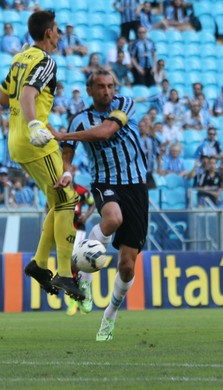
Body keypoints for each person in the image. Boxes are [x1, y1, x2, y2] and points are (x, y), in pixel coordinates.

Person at [51, 69, 149, 341]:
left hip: (137, 187)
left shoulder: (125, 103)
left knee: (127, 265)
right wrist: (67, 171)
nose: (107, 91)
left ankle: (109, 316)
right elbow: (68, 151)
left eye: (110, 86)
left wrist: (61, 135)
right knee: (112, 218)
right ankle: (84, 278)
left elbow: (106, 132)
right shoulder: (79, 119)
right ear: (89, 90)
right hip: (105, 181)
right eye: (101, 86)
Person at [0, 10, 84, 301]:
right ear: (48, 33)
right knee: (68, 200)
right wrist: (34, 123)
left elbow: (2, 97)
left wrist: (38, 122)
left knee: (56, 202)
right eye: (57, 30)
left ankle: (38, 264)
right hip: (36, 143)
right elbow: (25, 95)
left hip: (17, 141)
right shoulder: (46, 61)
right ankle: (63, 272)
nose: (59, 35)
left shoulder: (20, 58)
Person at [65, 172, 96, 316]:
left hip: (78, 229)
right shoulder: (59, 189)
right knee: (68, 265)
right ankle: (74, 299)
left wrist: (87, 216)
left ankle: (79, 297)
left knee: (75, 261)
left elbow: (92, 204)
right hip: (64, 230)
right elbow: (47, 207)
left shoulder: (82, 191)